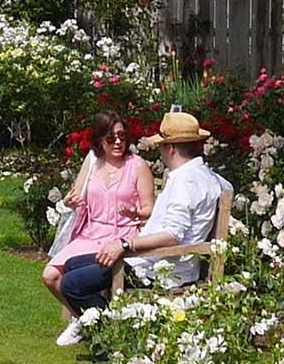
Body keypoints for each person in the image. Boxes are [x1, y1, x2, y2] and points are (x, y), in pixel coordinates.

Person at [56, 112, 231, 336]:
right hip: (160, 259)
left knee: (71, 284)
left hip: (160, 269)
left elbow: (172, 235)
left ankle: (110, 338)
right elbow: (225, 191)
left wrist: (125, 245)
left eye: (161, 147)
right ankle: (99, 326)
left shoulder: (185, 181)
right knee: (72, 265)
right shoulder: (206, 176)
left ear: (171, 149)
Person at [41, 112, 153, 347]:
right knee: (50, 276)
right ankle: (84, 318)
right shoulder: (92, 161)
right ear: (100, 140)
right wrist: (72, 201)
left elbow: (149, 210)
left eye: (122, 136)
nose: (118, 142)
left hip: (122, 235)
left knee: (72, 277)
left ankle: (94, 323)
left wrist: (134, 212)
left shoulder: (138, 166)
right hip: (91, 232)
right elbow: (76, 195)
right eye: (111, 138)